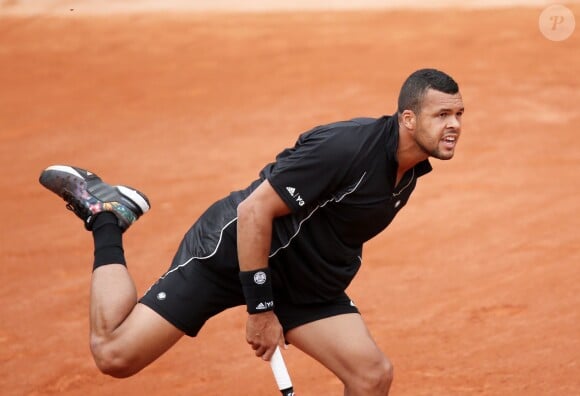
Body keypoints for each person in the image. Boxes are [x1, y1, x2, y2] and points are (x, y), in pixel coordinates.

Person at [39, 68, 464, 395]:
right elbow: (253, 212)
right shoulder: (346, 148)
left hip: (305, 284)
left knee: (372, 377)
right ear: (408, 118)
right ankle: (107, 216)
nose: (455, 125)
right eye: (442, 114)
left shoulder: (410, 168)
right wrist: (260, 310)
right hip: (228, 256)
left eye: (459, 114)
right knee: (114, 356)